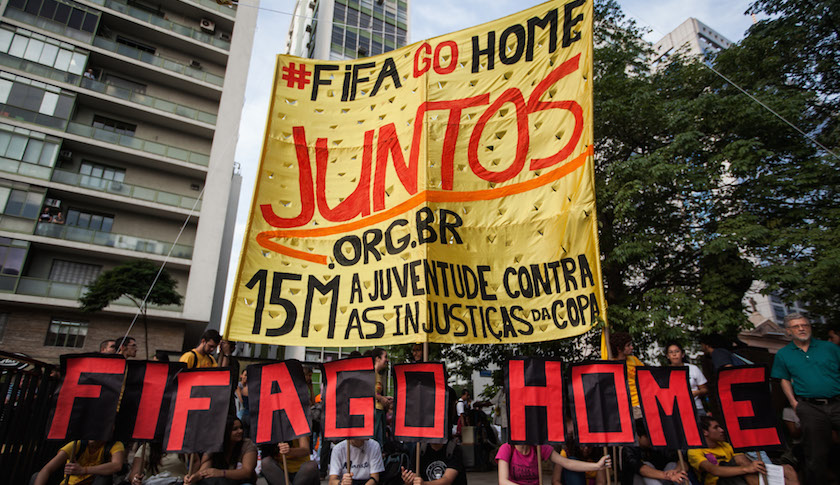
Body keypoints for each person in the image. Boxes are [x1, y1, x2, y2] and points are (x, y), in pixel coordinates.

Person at [770, 312, 840, 483]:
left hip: (837, 401)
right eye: (796, 326)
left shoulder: (829, 348)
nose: (801, 329)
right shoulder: (783, 354)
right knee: (816, 452)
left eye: (805, 325)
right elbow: (783, 379)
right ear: (788, 331)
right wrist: (794, 403)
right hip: (809, 407)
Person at [688, 416, 798, 485]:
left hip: (738, 475)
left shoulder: (725, 445)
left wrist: (750, 468)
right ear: (704, 432)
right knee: (744, 466)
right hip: (719, 481)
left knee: (787, 468)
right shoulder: (695, 451)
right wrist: (747, 469)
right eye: (716, 428)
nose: (721, 430)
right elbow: (714, 470)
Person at [496, 442, 610, 485]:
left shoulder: (539, 448)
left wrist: (597, 466)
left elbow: (568, 463)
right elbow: (503, 481)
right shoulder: (507, 448)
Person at [185, 417, 257, 484]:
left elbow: (247, 472)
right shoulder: (215, 445)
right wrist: (194, 477)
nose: (240, 431)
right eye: (235, 429)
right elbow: (204, 470)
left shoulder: (247, 444)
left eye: (241, 428)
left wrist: (221, 473)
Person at [32, 439, 126, 485]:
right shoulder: (77, 444)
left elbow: (117, 465)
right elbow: (47, 469)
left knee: (104, 479)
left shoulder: (115, 445)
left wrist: (83, 470)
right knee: (36, 476)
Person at [620, 429, 688, 485]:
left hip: (663, 479)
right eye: (648, 437)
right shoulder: (629, 449)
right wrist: (668, 476)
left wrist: (675, 471)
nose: (651, 440)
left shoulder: (658, 445)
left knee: (672, 465)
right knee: (647, 469)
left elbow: (682, 462)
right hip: (638, 481)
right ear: (638, 436)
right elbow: (642, 469)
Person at [665, 342, 708, 414]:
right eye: (671, 352)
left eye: (677, 351)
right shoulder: (664, 372)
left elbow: (705, 389)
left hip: (696, 407)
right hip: (675, 410)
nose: (674, 354)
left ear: (682, 354)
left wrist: (697, 392)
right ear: (667, 356)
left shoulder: (693, 368)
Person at [401, 440, 466, 485]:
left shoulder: (453, 449)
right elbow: (416, 475)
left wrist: (424, 484)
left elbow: (447, 480)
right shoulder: (420, 449)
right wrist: (410, 480)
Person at [611, 332, 644, 420]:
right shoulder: (610, 364)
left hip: (637, 402)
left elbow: (646, 377)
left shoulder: (634, 360)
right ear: (619, 349)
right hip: (621, 406)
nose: (631, 347)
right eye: (628, 345)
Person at [367, 348, 392, 448]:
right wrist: (381, 398)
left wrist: (385, 398)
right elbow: (367, 391)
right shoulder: (370, 373)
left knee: (380, 443)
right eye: (385, 357)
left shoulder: (379, 375)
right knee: (375, 443)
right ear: (377, 359)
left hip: (380, 412)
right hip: (374, 412)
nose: (387, 360)